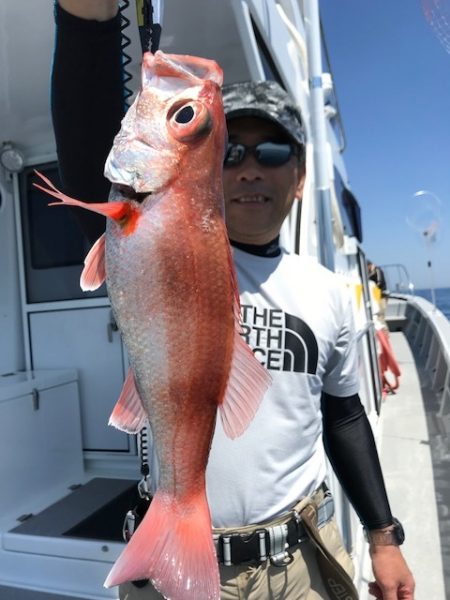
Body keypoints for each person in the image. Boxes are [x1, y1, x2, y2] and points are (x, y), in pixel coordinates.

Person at [51, 2, 415, 599]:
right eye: (231, 152)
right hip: (179, 554)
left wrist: (383, 536)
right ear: (211, 172)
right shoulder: (159, 236)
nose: (249, 169)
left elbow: (344, 416)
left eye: (272, 153)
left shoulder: (330, 292)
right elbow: (86, 140)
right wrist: (84, 21)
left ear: (298, 179)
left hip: (301, 555)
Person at [367, 261, 388, 329]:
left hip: (381, 296)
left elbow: (380, 282)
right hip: (375, 297)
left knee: (380, 315)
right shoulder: (369, 273)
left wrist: (371, 288)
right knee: (378, 316)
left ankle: (385, 334)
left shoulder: (377, 270)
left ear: (369, 265)